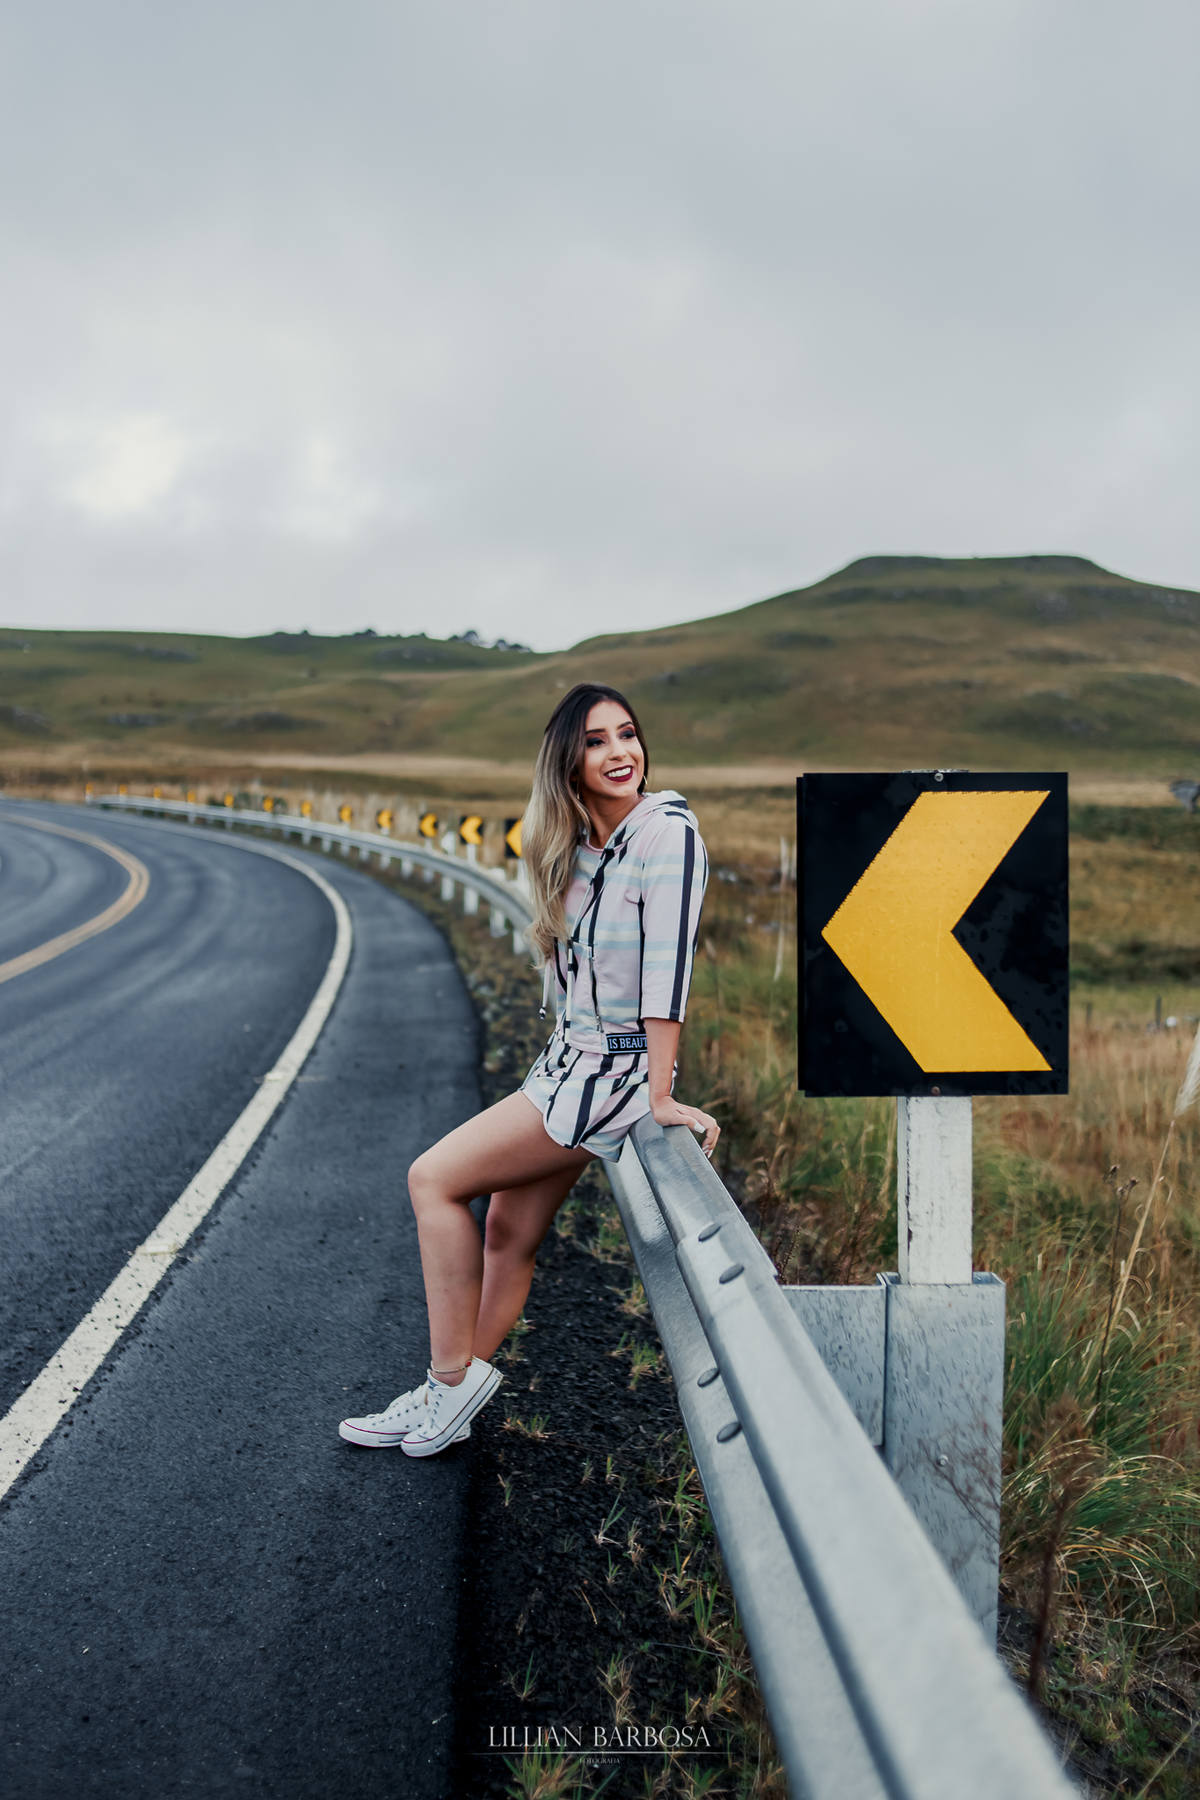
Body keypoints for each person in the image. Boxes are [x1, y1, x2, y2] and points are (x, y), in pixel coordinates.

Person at [338, 683, 718, 1458]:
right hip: (566, 1064)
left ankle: (451, 1381)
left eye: (628, 735)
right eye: (597, 741)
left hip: (608, 1081)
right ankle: (447, 1396)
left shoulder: (666, 836)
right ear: (568, 763)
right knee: (507, 1230)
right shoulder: (577, 848)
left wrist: (660, 1093)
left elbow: (666, 973)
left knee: (432, 1179)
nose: (620, 754)